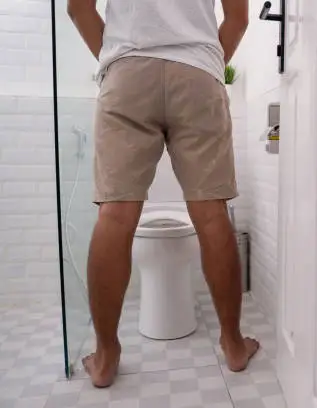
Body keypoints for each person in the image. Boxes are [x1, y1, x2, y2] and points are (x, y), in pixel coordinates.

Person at [67, 0, 257, 388]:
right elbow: (237, 19)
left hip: (127, 71)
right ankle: (233, 345)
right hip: (198, 73)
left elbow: (77, 8)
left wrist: (118, 59)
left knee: (115, 215)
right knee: (210, 212)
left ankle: (105, 358)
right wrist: (206, 63)